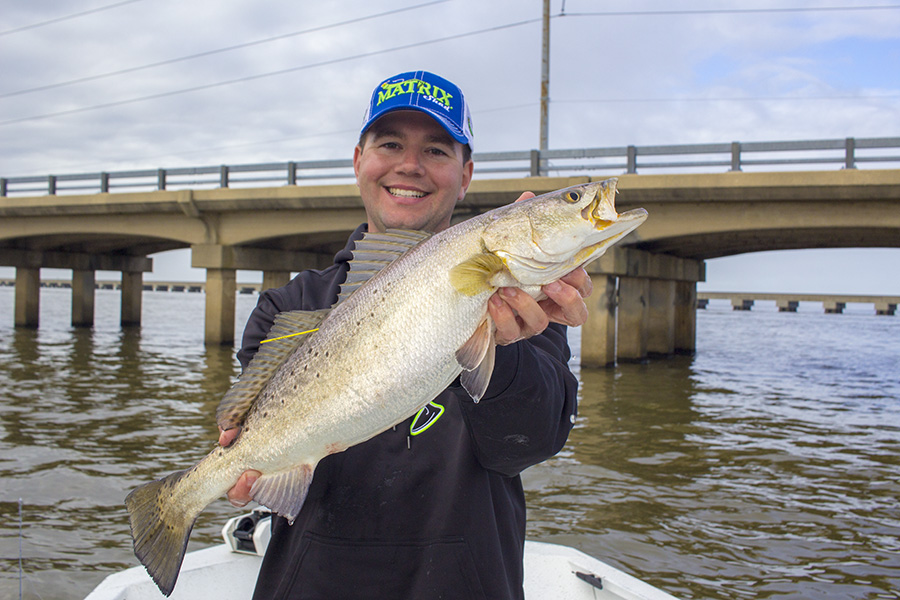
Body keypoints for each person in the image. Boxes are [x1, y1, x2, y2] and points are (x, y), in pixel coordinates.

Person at [219, 70, 592, 600]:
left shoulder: (526, 299)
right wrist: (246, 465)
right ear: (358, 160)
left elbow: (527, 446)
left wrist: (506, 353)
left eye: (437, 150)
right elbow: (258, 441)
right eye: (390, 143)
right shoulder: (290, 306)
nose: (410, 165)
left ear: (466, 176)